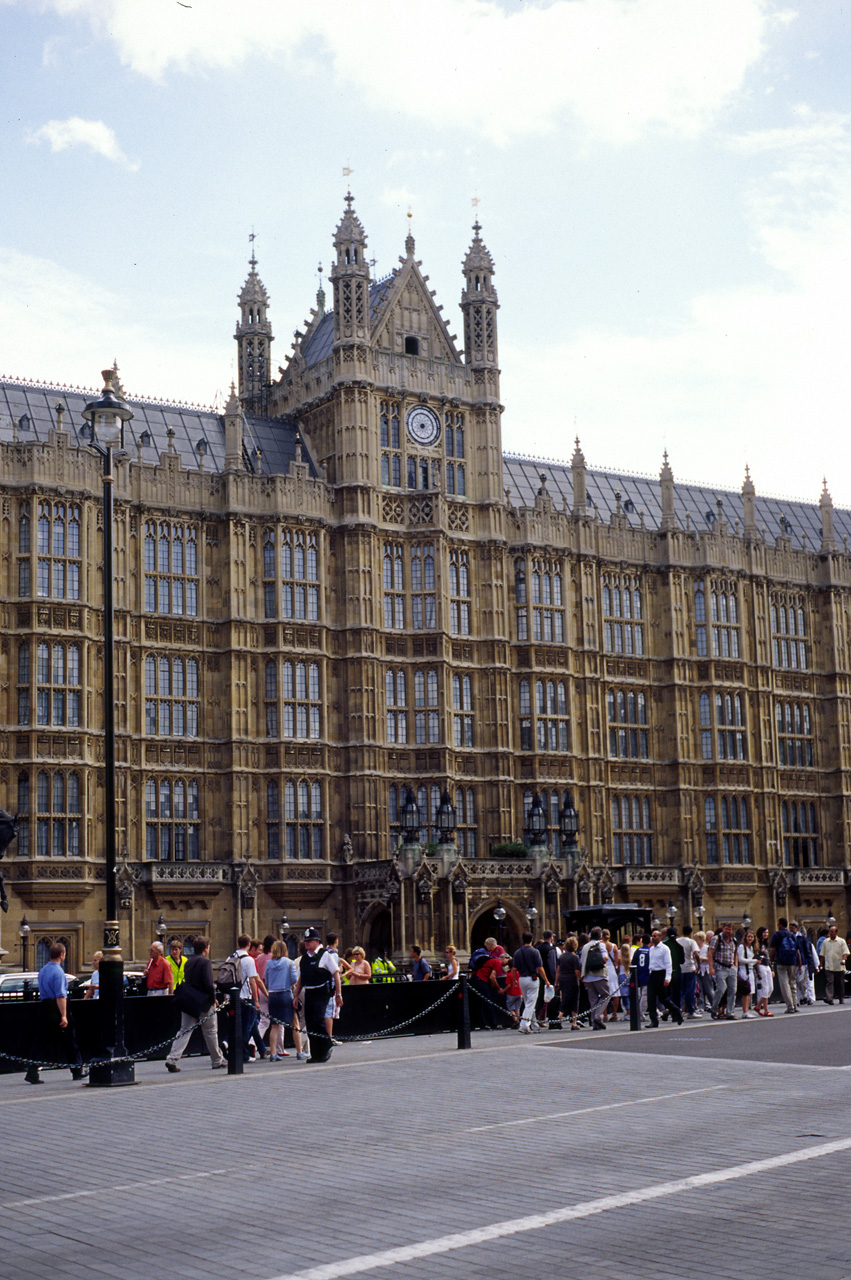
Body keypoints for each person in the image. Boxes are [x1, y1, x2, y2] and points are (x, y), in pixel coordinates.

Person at [25, 942, 84, 1084]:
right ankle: (77, 1071)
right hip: (56, 1007)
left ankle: (32, 1072)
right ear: (62, 955)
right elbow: (60, 996)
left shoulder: (43, 970)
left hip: (44, 1006)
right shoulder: (58, 972)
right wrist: (63, 1015)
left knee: (40, 1041)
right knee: (70, 1040)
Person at [165, 936, 226, 1072]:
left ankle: (172, 1058)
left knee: (184, 1030)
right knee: (210, 1031)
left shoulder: (189, 962)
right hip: (203, 1001)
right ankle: (217, 1060)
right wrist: (213, 998)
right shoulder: (205, 962)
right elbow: (209, 983)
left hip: (189, 1001)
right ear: (206, 948)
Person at [293, 927, 342, 1064]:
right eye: (306, 941)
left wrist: (338, 994)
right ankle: (316, 1054)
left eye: (309, 941)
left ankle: (326, 1045)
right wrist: (296, 996)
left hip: (322, 992)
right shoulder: (304, 959)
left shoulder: (325, 955)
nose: (307, 943)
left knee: (318, 1019)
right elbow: (300, 979)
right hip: (309, 992)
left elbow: (336, 974)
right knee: (310, 1023)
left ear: (316, 941)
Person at [265, 939, 305, 1061]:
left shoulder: (269, 964)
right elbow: (294, 979)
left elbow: (266, 981)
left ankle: (273, 1053)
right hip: (285, 994)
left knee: (274, 1026)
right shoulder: (289, 963)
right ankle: (299, 1052)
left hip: (272, 995)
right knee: (295, 1023)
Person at [233, 933, 267, 1062]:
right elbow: (253, 981)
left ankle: (260, 1049)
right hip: (246, 997)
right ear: (248, 945)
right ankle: (244, 1055)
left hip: (234, 997)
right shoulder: (248, 960)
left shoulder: (231, 957)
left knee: (244, 1026)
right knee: (246, 1027)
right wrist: (256, 1000)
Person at [647, 929, 683, 1027]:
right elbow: (651, 962)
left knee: (663, 998)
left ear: (660, 937)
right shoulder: (651, 949)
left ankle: (676, 1011)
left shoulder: (665, 949)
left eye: (655, 936)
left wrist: (668, 978)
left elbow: (668, 964)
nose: (653, 938)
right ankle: (654, 1020)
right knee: (651, 998)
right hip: (653, 974)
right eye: (652, 936)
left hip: (661, 973)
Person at [514, 931, 547, 1034]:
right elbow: (540, 967)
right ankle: (524, 1025)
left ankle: (534, 1025)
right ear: (532, 940)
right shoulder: (535, 952)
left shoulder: (517, 952)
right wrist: (546, 980)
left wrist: (514, 979)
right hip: (532, 979)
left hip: (522, 978)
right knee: (530, 1003)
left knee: (528, 1001)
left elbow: (514, 969)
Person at [580, 927, 611, 1031]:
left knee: (592, 999)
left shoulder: (585, 947)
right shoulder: (600, 945)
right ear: (600, 936)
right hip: (599, 974)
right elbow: (605, 958)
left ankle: (594, 1022)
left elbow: (581, 962)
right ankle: (598, 1017)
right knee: (606, 995)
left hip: (587, 976)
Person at [769, 917, 802, 1014]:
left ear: (779, 924)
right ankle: (795, 1004)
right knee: (793, 983)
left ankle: (790, 1006)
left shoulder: (777, 935)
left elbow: (773, 950)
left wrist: (770, 962)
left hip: (781, 962)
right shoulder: (792, 935)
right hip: (792, 961)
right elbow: (797, 951)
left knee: (784, 984)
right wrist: (799, 964)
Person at [709, 922, 738, 1021]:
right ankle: (714, 1009)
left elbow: (735, 953)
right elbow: (710, 953)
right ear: (723, 929)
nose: (728, 931)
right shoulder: (716, 939)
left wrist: (735, 965)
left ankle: (730, 1012)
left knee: (732, 991)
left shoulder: (734, 940)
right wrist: (711, 967)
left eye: (730, 929)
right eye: (726, 929)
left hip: (731, 968)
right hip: (720, 967)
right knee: (721, 989)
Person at [556, 936, 581, 1030]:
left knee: (565, 997)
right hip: (572, 979)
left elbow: (558, 970)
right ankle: (572, 1022)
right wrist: (581, 980)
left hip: (562, 978)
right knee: (574, 1000)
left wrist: (556, 982)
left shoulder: (562, 956)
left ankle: (560, 1016)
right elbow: (577, 971)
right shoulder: (575, 957)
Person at [821, 925, 849, 1005]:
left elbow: (845, 952)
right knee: (830, 981)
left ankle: (841, 997)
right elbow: (823, 953)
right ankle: (830, 998)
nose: (830, 933)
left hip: (838, 965)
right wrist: (821, 963)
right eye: (830, 931)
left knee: (840, 983)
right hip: (829, 965)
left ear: (836, 933)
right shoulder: (826, 942)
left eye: (832, 932)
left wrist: (843, 960)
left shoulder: (841, 941)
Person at [678, 925, 700, 1018]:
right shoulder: (691, 942)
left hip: (679, 968)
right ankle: (690, 1011)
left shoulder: (677, 941)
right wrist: (698, 965)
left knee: (680, 991)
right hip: (690, 968)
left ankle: (677, 1010)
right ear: (691, 933)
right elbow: (696, 954)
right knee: (690, 991)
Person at [736, 928, 757, 1018]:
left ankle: (747, 1011)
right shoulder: (742, 947)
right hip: (744, 970)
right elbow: (740, 959)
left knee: (749, 992)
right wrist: (753, 961)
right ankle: (745, 1011)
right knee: (745, 992)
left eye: (752, 937)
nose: (750, 938)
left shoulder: (751, 947)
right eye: (748, 936)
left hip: (750, 970)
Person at [754, 926, 774, 1016]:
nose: (766, 934)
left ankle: (758, 1006)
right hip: (761, 965)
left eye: (767, 933)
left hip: (767, 966)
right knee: (765, 988)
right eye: (764, 932)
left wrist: (772, 968)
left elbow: (768, 957)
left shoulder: (765, 943)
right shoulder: (756, 943)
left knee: (770, 988)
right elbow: (755, 956)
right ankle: (766, 1010)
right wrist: (757, 970)